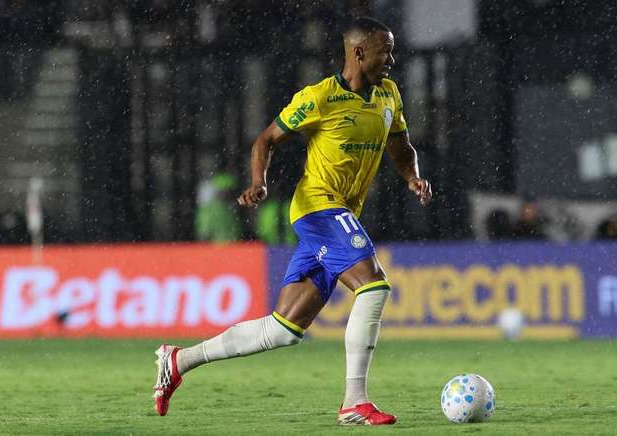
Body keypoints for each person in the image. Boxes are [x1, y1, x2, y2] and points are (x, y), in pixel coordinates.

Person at [153, 17, 432, 426]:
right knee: (373, 286)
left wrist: (412, 177)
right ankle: (354, 401)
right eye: (384, 51)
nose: (391, 59)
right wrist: (258, 182)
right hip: (318, 208)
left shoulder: (389, 94)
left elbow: (400, 144)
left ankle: (178, 360)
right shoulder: (320, 97)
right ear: (358, 53)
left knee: (283, 329)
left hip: (339, 214)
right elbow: (266, 139)